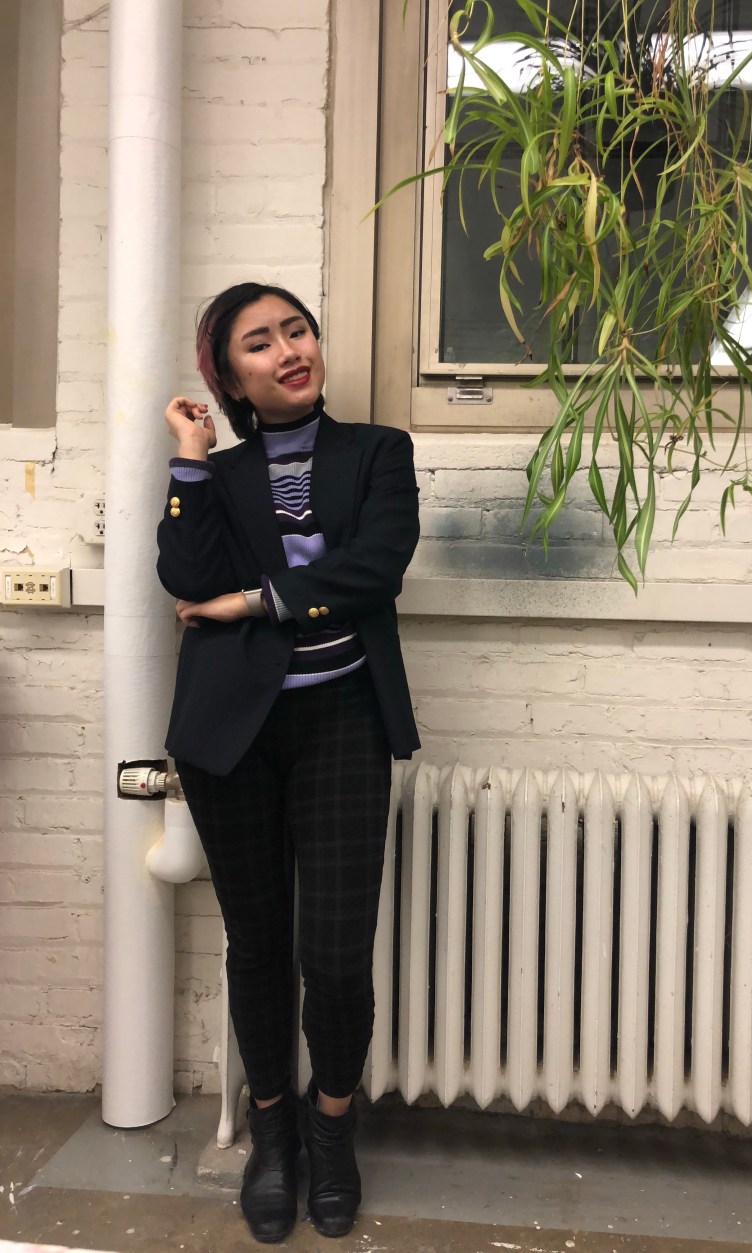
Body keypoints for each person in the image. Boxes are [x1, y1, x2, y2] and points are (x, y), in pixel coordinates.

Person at [156, 281, 421, 1243]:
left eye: (296, 330)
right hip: (232, 732)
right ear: (230, 377)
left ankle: (331, 1127)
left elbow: (377, 565)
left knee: (337, 957)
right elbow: (186, 576)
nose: (288, 351)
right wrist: (189, 458)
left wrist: (252, 601)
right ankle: (271, 1132)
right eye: (259, 342)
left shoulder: (377, 452)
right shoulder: (218, 474)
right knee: (257, 945)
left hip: (342, 718)